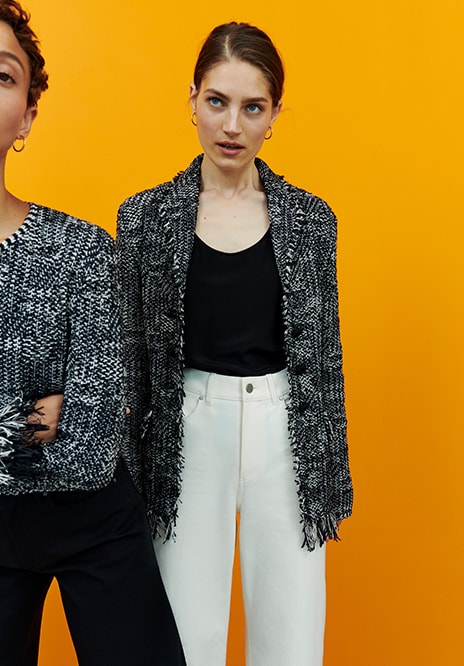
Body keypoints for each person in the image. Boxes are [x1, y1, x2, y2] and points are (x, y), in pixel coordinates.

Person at [116, 21, 353, 666]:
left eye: (253, 107)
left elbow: (323, 365)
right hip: (188, 429)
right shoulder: (145, 218)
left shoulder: (310, 221)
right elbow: (131, 367)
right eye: (217, 101)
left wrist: (328, 475)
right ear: (191, 98)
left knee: (293, 633)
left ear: (273, 115)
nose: (231, 125)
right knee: (185, 636)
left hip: (286, 429)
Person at [0, 2, 186, 664]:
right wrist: (37, 417)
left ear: (27, 114)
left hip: (93, 520)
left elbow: (94, 441)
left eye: (1, 75)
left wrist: (74, 419)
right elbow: (63, 426)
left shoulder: (82, 250)